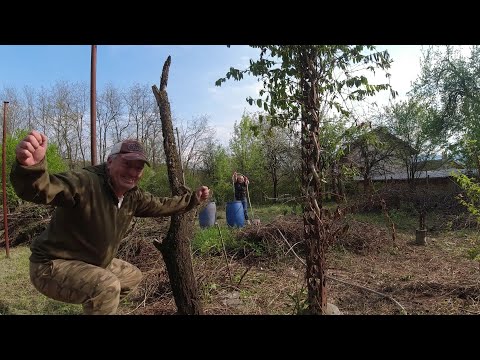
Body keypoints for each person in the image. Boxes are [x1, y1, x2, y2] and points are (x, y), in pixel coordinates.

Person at [10, 130, 210, 315]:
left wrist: (193, 199)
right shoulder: (85, 182)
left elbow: (161, 205)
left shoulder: (133, 196)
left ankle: (97, 305)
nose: (133, 172)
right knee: (107, 286)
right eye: (127, 164)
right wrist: (31, 169)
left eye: (138, 167)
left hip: (88, 263)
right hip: (50, 266)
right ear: (110, 162)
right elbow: (45, 188)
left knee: (131, 277)